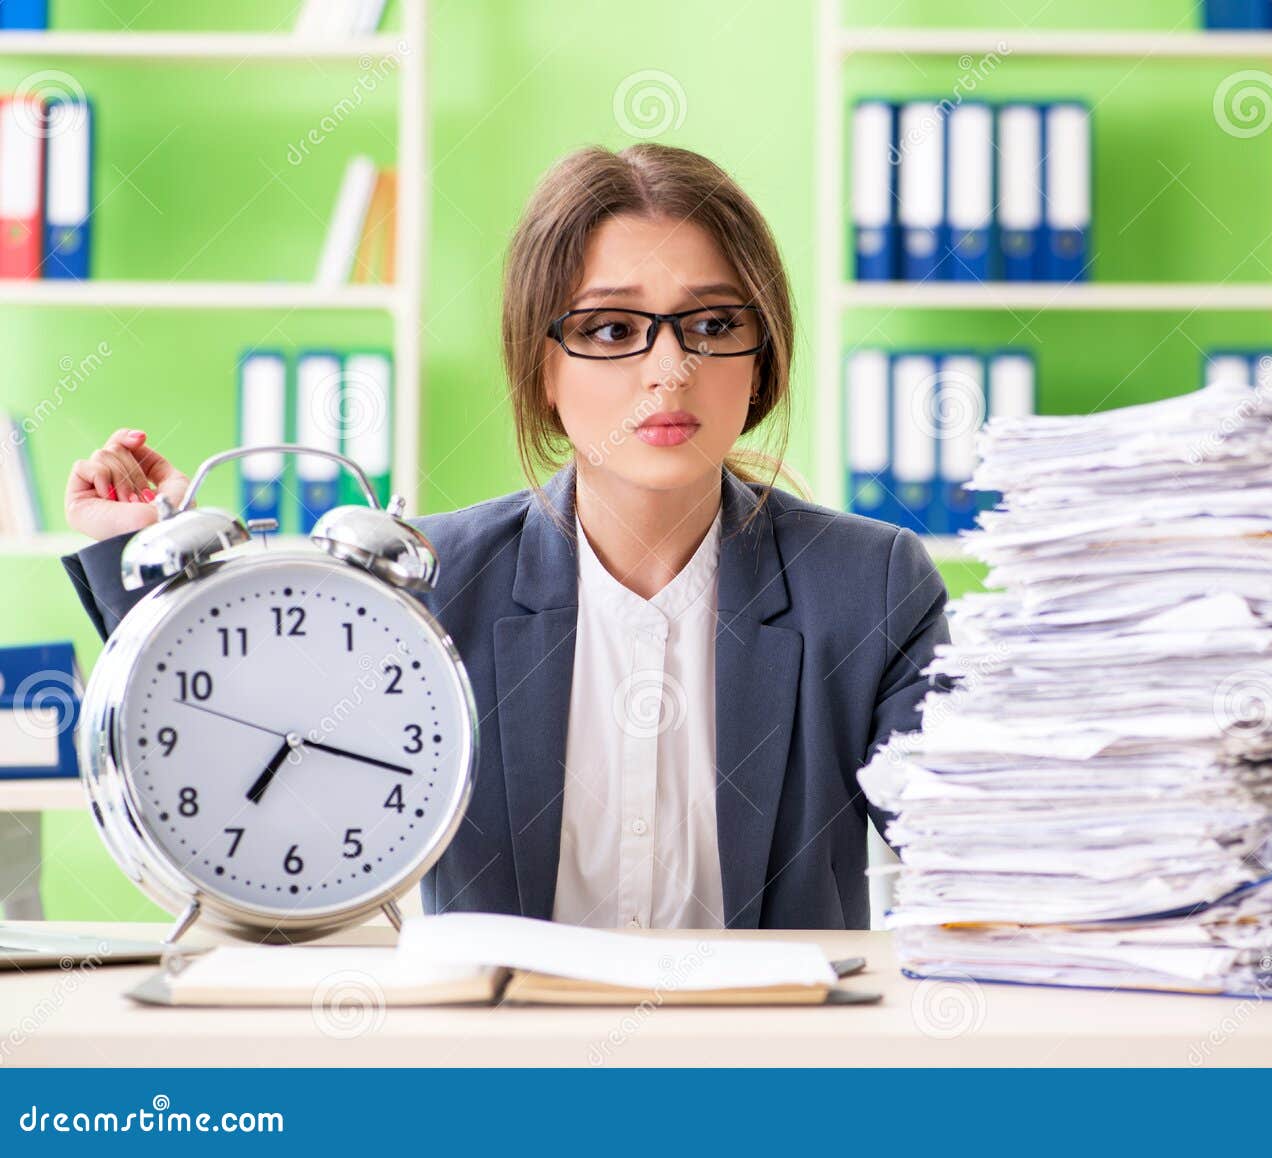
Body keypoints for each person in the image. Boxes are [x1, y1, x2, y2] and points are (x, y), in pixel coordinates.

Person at [60, 143, 949, 930]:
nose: (670, 370)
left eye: (713, 325)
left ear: (762, 360)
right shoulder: (427, 585)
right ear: (542, 365)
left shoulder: (871, 588)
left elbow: (981, 847)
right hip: (498, 1062)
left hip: (777, 1069)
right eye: (612, 329)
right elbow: (247, 753)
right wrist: (148, 562)